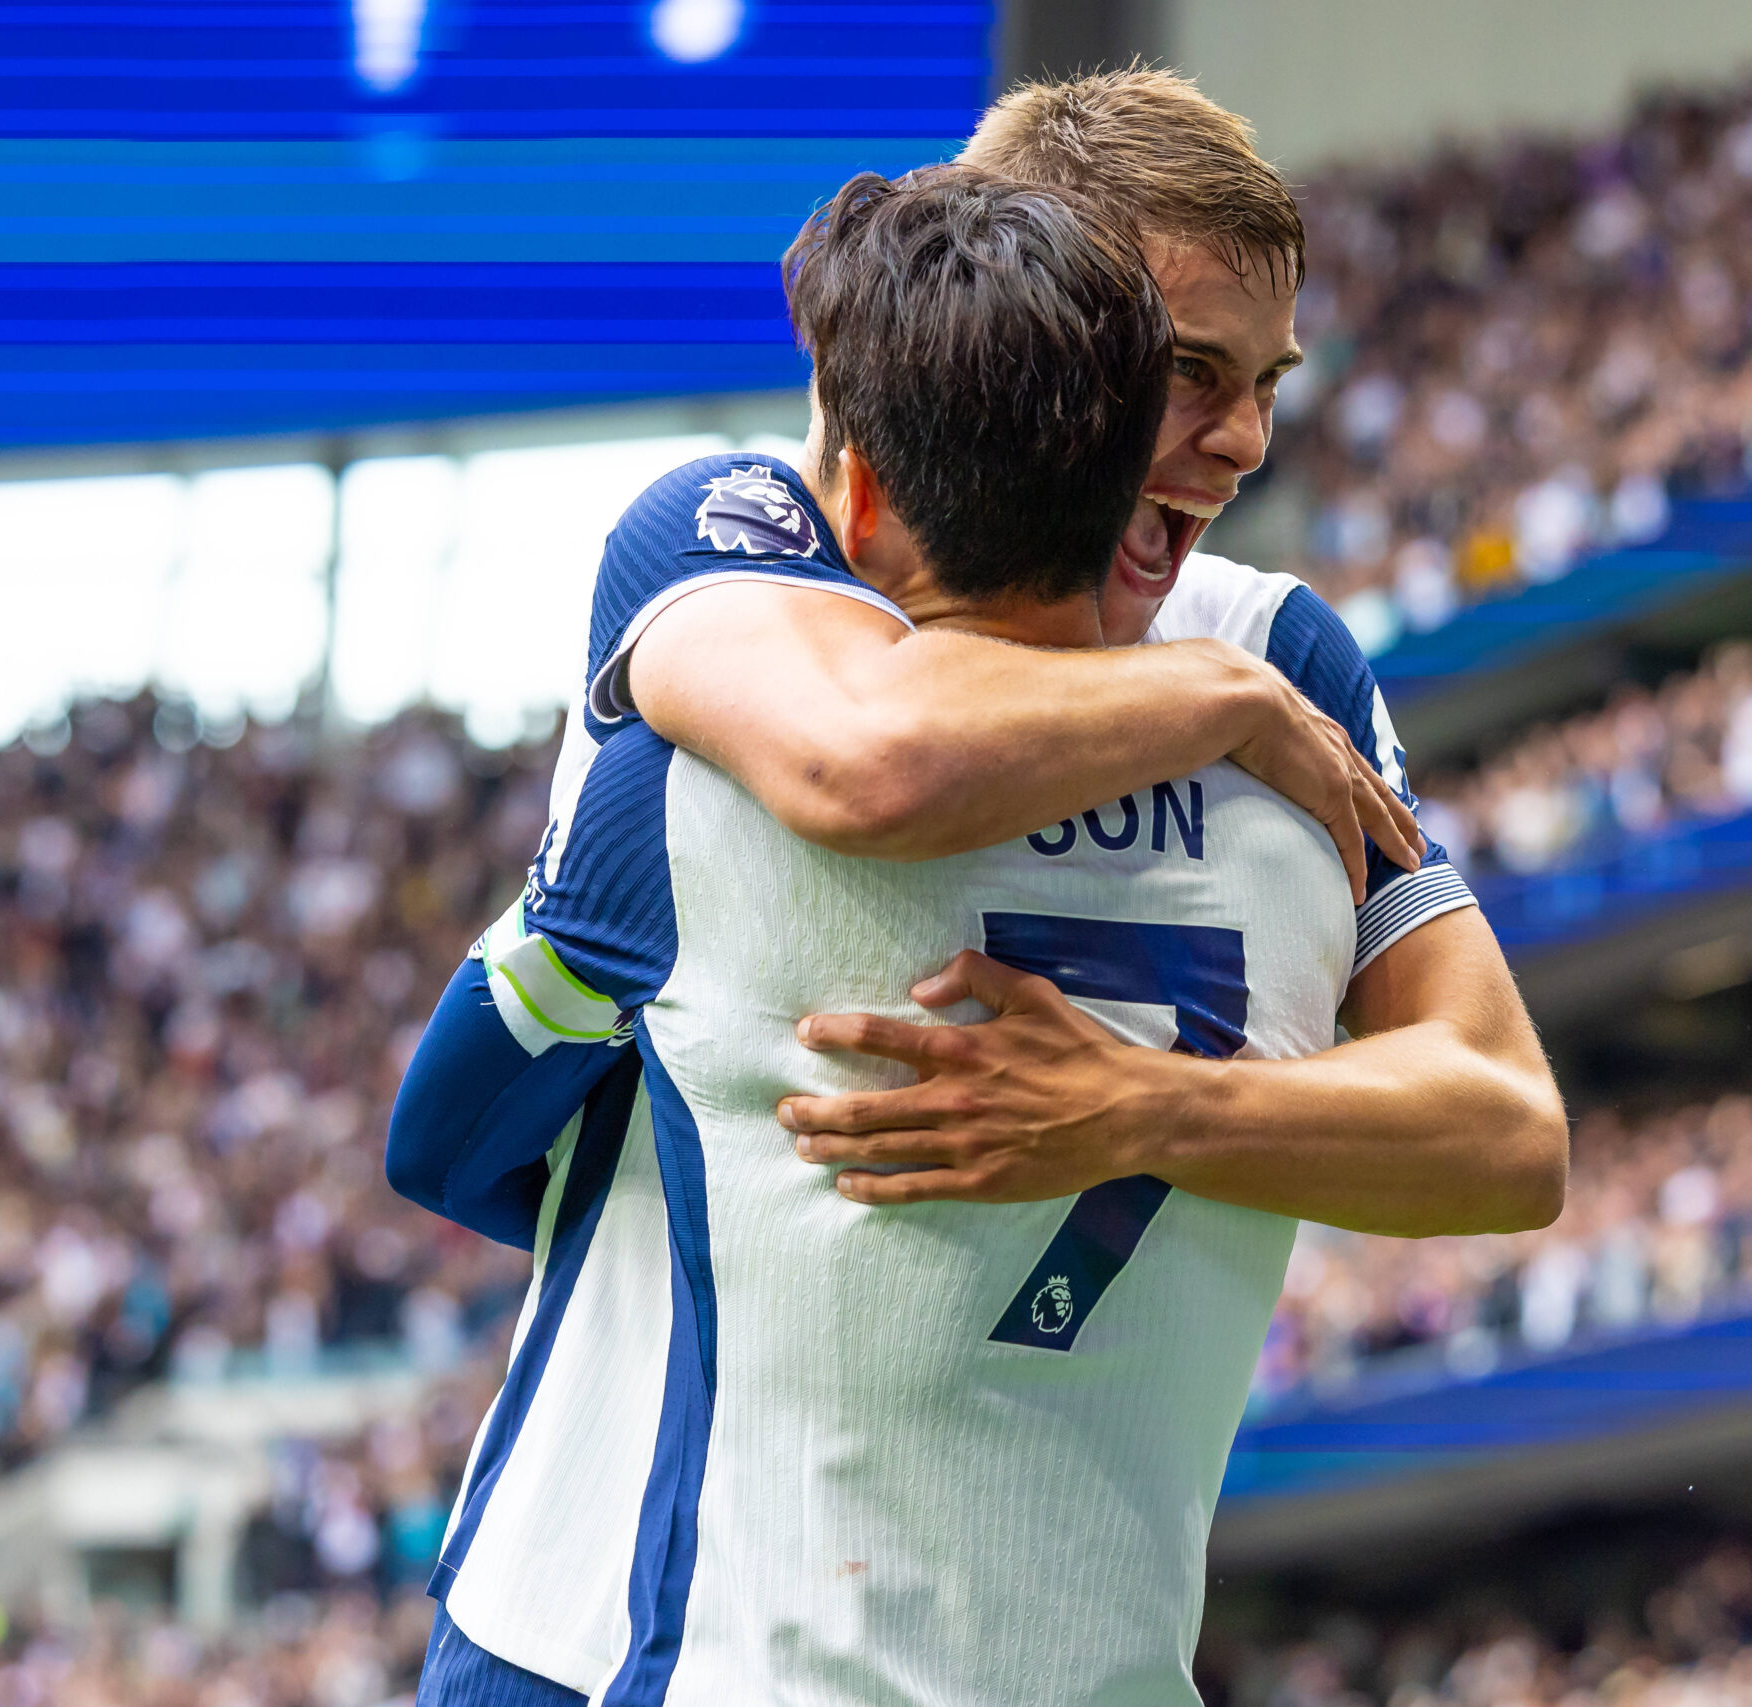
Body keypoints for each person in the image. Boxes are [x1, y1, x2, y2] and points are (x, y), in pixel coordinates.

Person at [400, 165, 1409, 1705]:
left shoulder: (689, 788)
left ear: (860, 484)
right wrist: (1231, 703)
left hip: (625, 1640)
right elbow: (1505, 1136)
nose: (1245, 430)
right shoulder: (1292, 765)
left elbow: (444, 1141)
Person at [613, 69, 1566, 1237]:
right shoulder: (745, 537)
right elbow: (860, 765)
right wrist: (1212, 700)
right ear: (1018, 319)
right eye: (1189, 371)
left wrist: (1146, 1111)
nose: (1249, 444)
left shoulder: (1272, 647)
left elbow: (1511, 1132)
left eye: (1267, 383)